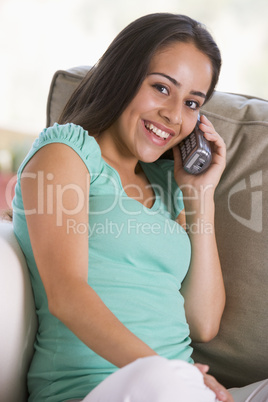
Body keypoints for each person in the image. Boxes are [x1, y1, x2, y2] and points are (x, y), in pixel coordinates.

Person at [12, 13, 267, 402]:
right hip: (98, 388)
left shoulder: (169, 186)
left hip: (176, 387)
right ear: (122, 76)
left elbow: (202, 322)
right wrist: (173, 378)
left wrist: (199, 196)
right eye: (162, 88)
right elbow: (66, 293)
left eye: (192, 102)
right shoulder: (64, 153)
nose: (174, 116)